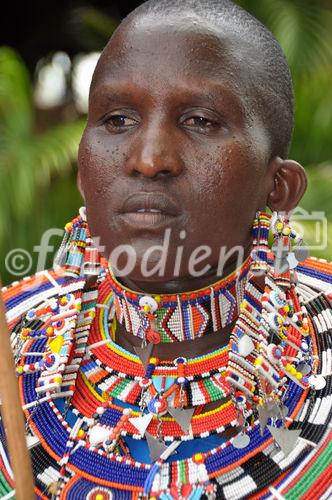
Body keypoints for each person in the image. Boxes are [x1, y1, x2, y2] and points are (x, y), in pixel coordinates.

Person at [1, 0, 331, 498]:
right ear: (83, 174)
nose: (149, 158)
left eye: (199, 120)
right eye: (117, 119)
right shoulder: (10, 345)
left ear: (279, 186)